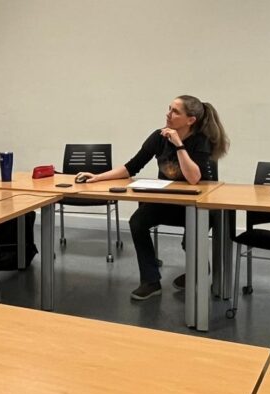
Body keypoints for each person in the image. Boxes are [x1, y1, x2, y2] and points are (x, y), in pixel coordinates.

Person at [76, 96, 229, 301]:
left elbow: (194, 178)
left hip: (198, 206)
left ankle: (199, 269)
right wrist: (97, 177)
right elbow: (131, 167)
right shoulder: (159, 137)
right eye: (169, 109)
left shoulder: (201, 141)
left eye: (175, 111)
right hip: (167, 202)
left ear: (190, 120)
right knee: (137, 222)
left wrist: (179, 145)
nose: (168, 114)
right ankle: (150, 280)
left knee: (190, 240)